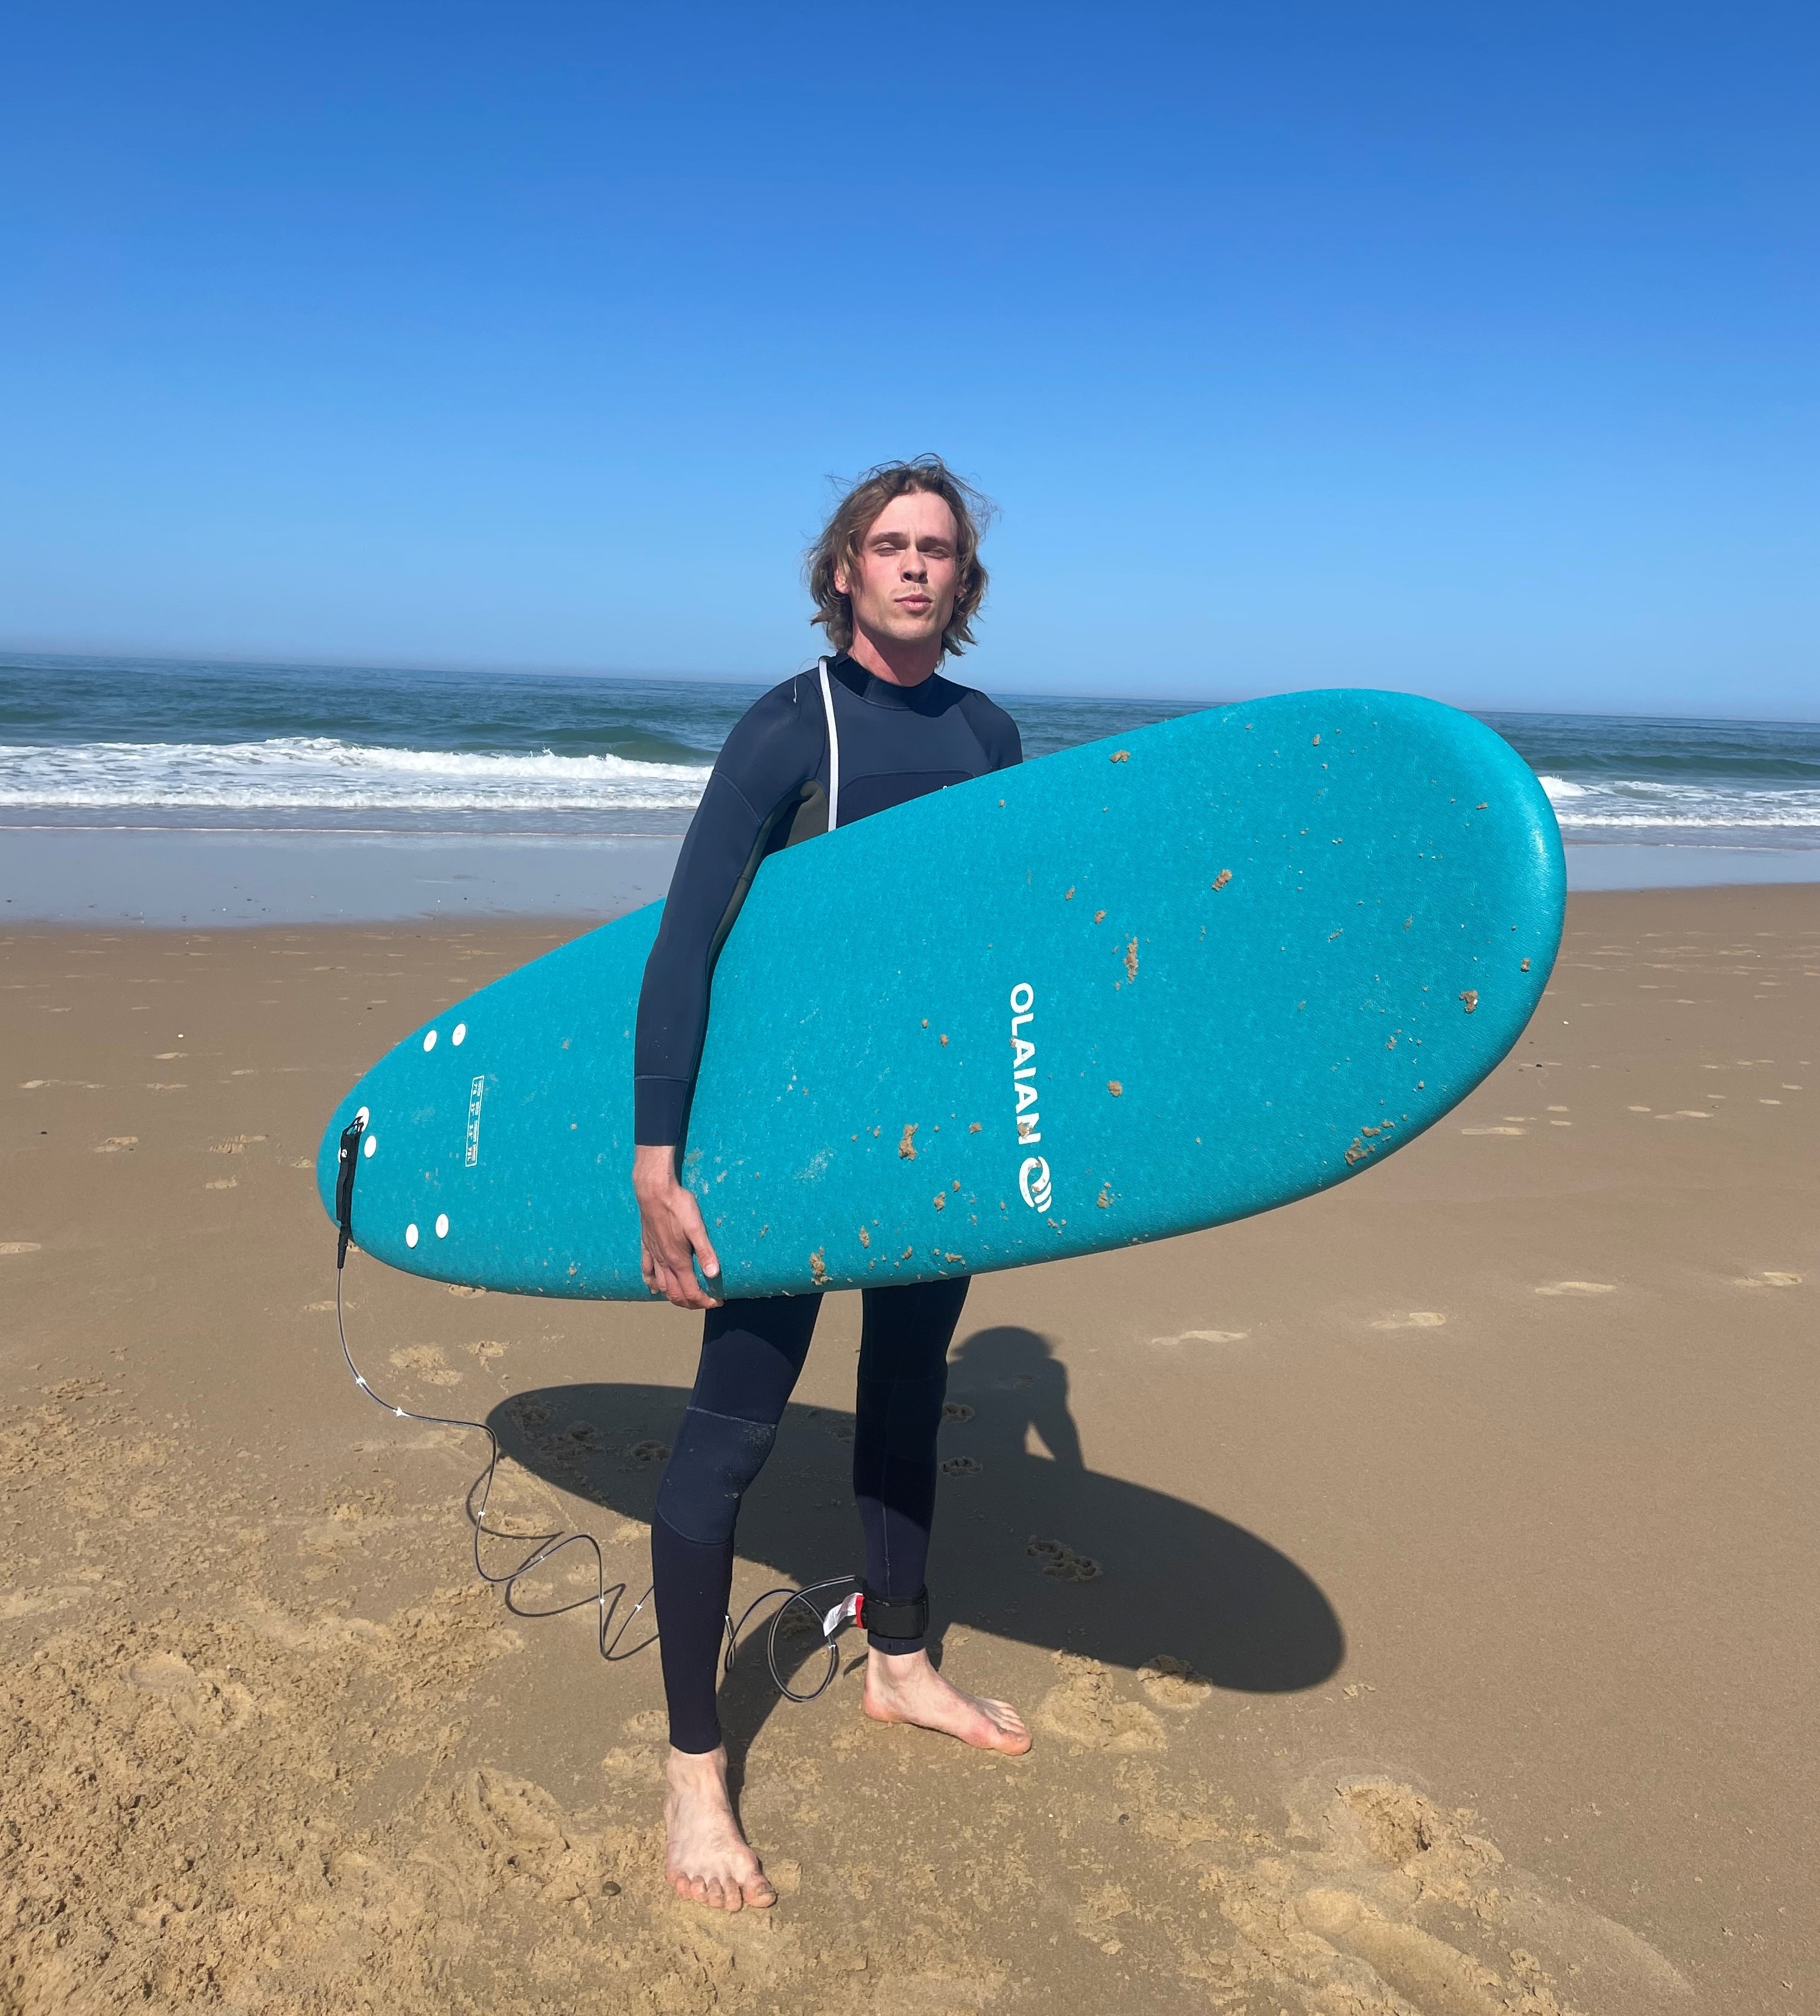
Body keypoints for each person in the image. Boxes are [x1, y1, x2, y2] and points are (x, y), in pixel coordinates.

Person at [632, 457, 1033, 1911]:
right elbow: (685, 943)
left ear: (961, 579)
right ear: (845, 570)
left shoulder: (988, 733)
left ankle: (902, 1664)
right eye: (890, 545)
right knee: (729, 1437)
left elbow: (1007, 945)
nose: (916, 567)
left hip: (930, 1138)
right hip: (783, 1139)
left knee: (911, 1395)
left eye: (938, 549)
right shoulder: (785, 727)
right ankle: (692, 1769)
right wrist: (656, 1156)